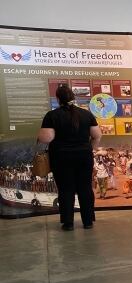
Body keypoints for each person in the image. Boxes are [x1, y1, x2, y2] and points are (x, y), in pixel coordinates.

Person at [37, 84, 100, 230]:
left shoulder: (52, 115)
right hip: (84, 156)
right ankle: (88, 221)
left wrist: (39, 135)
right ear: (73, 97)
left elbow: (46, 138)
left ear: (58, 98)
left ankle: (68, 223)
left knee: (66, 189)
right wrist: (90, 148)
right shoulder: (87, 114)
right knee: (85, 188)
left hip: (61, 157)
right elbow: (97, 136)